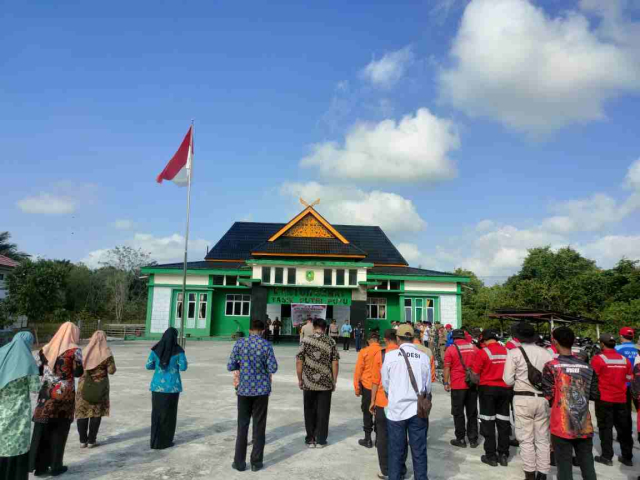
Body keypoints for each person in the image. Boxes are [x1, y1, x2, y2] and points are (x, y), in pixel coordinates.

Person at [542, 326, 599, 480]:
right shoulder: (588, 367)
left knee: (564, 468)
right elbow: (594, 394)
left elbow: (548, 396)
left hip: (561, 425)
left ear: (554, 341)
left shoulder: (551, 366)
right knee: (587, 465)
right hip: (584, 424)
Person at [30, 322, 83, 477]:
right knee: (59, 431)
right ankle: (55, 466)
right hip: (64, 397)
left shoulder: (45, 349)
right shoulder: (74, 350)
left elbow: (39, 370)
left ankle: (39, 467)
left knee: (42, 429)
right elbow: (79, 372)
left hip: (45, 395)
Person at [503, 322, 553, 480]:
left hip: (523, 398)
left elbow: (508, 380)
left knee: (526, 439)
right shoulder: (547, 354)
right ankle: (543, 474)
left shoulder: (514, 353)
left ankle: (530, 473)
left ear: (518, 337)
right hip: (543, 399)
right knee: (543, 439)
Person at [381, 324, 431, 480]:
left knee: (396, 450)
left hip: (396, 411)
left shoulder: (389, 356)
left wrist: (395, 395)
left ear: (398, 338)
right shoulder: (423, 357)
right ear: (413, 337)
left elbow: (386, 383)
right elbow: (427, 387)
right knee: (419, 450)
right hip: (417, 410)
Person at [227, 320, 278, 472]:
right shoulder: (266, 345)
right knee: (259, 426)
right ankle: (256, 462)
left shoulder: (240, 343)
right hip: (261, 391)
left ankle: (239, 462)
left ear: (249, 330)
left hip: (244, 390)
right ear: (262, 330)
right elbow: (273, 367)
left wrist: (241, 365)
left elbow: (230, 365)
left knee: (242, 426)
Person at [0, 332, 40, 480]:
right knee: (17, 447)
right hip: (19, 414)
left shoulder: (2, 354)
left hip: (1, 412)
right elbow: (36, 387)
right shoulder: (27, 362)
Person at [369, 329, 408, 480]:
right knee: (401, 436)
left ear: (385, 339)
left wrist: (372, 400)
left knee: (383, 437)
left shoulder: (381, 354)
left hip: (382, 401)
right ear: (397, 339)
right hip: (400, 403)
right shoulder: (404, 353)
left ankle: (386, 470)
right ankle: (401, 469)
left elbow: (375, 380)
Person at [590, 333, 634, 468]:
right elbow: (629, 379)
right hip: (621, 399)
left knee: (605, 428)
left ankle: (606, 456)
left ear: (602, 345)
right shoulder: (624, 360)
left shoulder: (597, 359)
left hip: (604, 399)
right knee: (624, 429)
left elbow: (592, 378)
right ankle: (627, 457)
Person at [471, 329, 511, 467]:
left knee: (488, 423)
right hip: (505, 390)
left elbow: (475, 374)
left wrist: (477, 381)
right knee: (503, 422)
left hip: (487, 390)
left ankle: (491, 456)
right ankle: (503, 454)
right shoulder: (507, 351)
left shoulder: (483, 352)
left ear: (484, 340)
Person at [296, 318, 339, 448]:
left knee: (309, 410)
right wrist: (334, 380)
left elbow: (299, 361)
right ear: (325, 328)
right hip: (325, 383)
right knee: (323, 411)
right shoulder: (331, 341)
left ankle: (310, 439)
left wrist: (300, 379)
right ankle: (320, 440)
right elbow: (335, 362)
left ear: (314, 327)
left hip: (308, 382)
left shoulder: (305, 340)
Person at [146, 327, 188, 450]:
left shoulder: (155, 350)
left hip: (157, 387)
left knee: (157, 413)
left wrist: (159, 368)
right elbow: (184, 367)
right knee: (169, 415)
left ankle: (154, 442)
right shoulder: (179, 351)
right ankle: (166, 441)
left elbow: (148, 365)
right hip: (172, 387)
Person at [75, 331, 117, 448]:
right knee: (96, 413)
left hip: (84, 386)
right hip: (100, 388)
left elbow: (77, 369)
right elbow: (111, 371)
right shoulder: (106, 354)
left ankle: (83, 440)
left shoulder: (83, 352)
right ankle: (92, 440)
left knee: (82, 412)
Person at [444, 329, 479, 448]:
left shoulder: (451, 349)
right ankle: (473, 439)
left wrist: (445, 382)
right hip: (472, 384)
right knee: (472, 412)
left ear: (453, 338)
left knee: (458, 413)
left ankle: (461, 439)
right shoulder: (474, 348)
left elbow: (447, 368)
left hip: (458, 385)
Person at [353, 331, 382, 448]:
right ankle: (379, 439)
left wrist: (357, 388)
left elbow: (358, 371)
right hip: (380, 387)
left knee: (367, 412)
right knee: (379, 413)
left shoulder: (364, 352)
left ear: (369, 340)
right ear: (378, 340)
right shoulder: (383, 351)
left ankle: (368, 439)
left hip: (367, 387)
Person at [615, 327, 639, 429]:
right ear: (633, 336)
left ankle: (626, 433)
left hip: (625, 384)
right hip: (638, 384)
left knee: (625, 410)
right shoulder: (638, 348)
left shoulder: (617, 349)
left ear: (621, 336)